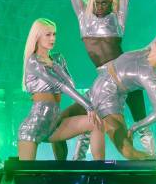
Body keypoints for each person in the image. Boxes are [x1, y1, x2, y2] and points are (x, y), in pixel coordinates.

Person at [56, 0, 154, 160]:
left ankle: (151, 158)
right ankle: (72, 163)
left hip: (124, 69)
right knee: (80, 117)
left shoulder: (118, 20)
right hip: (104, 77)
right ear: (91, 1)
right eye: (97, 3)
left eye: (105, 3)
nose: (100, 7)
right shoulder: (84, 18)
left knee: (139, 116)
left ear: (112, 3)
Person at [88, 24, 156, 160]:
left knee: (126, 149)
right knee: (60, 122)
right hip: (97, 86)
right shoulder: (145, 52)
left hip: (109, 99)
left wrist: (135, 126)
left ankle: (151, 164)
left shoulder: (149, 76)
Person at [17, 18, 104, 160]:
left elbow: (70, 84)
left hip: (55, 123)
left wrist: (54, 65)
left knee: (96, 123)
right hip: (35, 125)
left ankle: (100, 172)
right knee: (25, 177)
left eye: (54, 34)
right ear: (37, 36)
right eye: (48, 34)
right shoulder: (33, 61)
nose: (52, 38)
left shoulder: (58, 59)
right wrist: (88, 106)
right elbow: (60, 86)